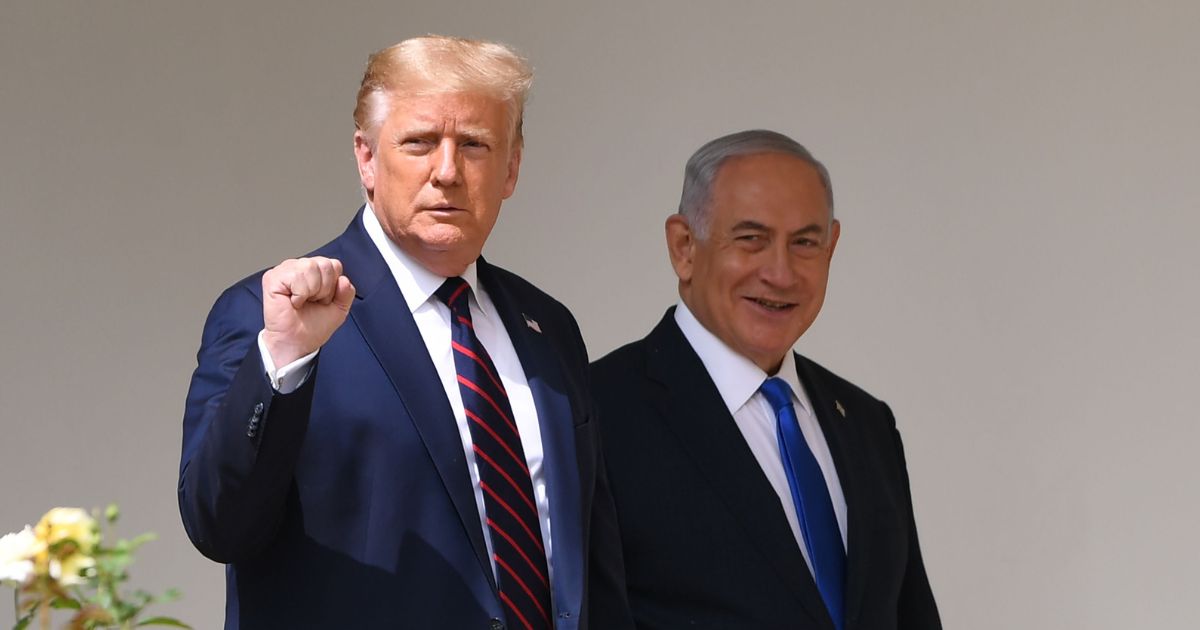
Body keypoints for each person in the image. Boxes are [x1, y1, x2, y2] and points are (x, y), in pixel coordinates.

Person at [178, 35, 628, 630]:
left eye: (474, 145)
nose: (447, 171)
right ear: (366, 158)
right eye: (419, 143)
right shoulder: (272, 315)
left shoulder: (546, 327)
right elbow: (219, 523)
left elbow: (590, 560)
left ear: (512, 166)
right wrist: (285, 361)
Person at [590, 130, 941, 629]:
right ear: (684, 246)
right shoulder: (594, 415)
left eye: (804, 243)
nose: (781, 273)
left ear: (832, 248)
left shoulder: (867, 424)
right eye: (752, 239)